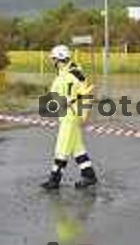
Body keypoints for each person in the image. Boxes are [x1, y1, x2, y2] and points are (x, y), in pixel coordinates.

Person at [41, 45, 98, 190]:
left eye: (54, 59)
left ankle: (55, 179)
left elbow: (87, 96)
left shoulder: (75, 74)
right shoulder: (62, 73)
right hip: (65, 114)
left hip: (71, 116)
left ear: (59, 59)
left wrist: (83, 115)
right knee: (77, 148)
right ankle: (89, 175)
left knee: (62, 147)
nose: (52, 62)